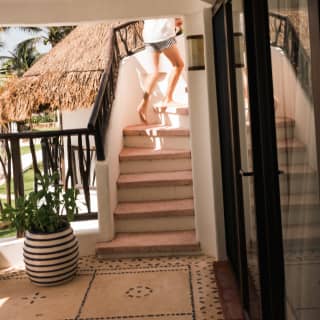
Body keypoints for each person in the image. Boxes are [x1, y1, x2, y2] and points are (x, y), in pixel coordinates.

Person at [137, 17, 185, 124]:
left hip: (149, 37)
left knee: (155, 72)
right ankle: (168, 98)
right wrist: (177, 22)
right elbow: (176, 16)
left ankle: (143, 103)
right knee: (178, 65)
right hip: (164, 35)